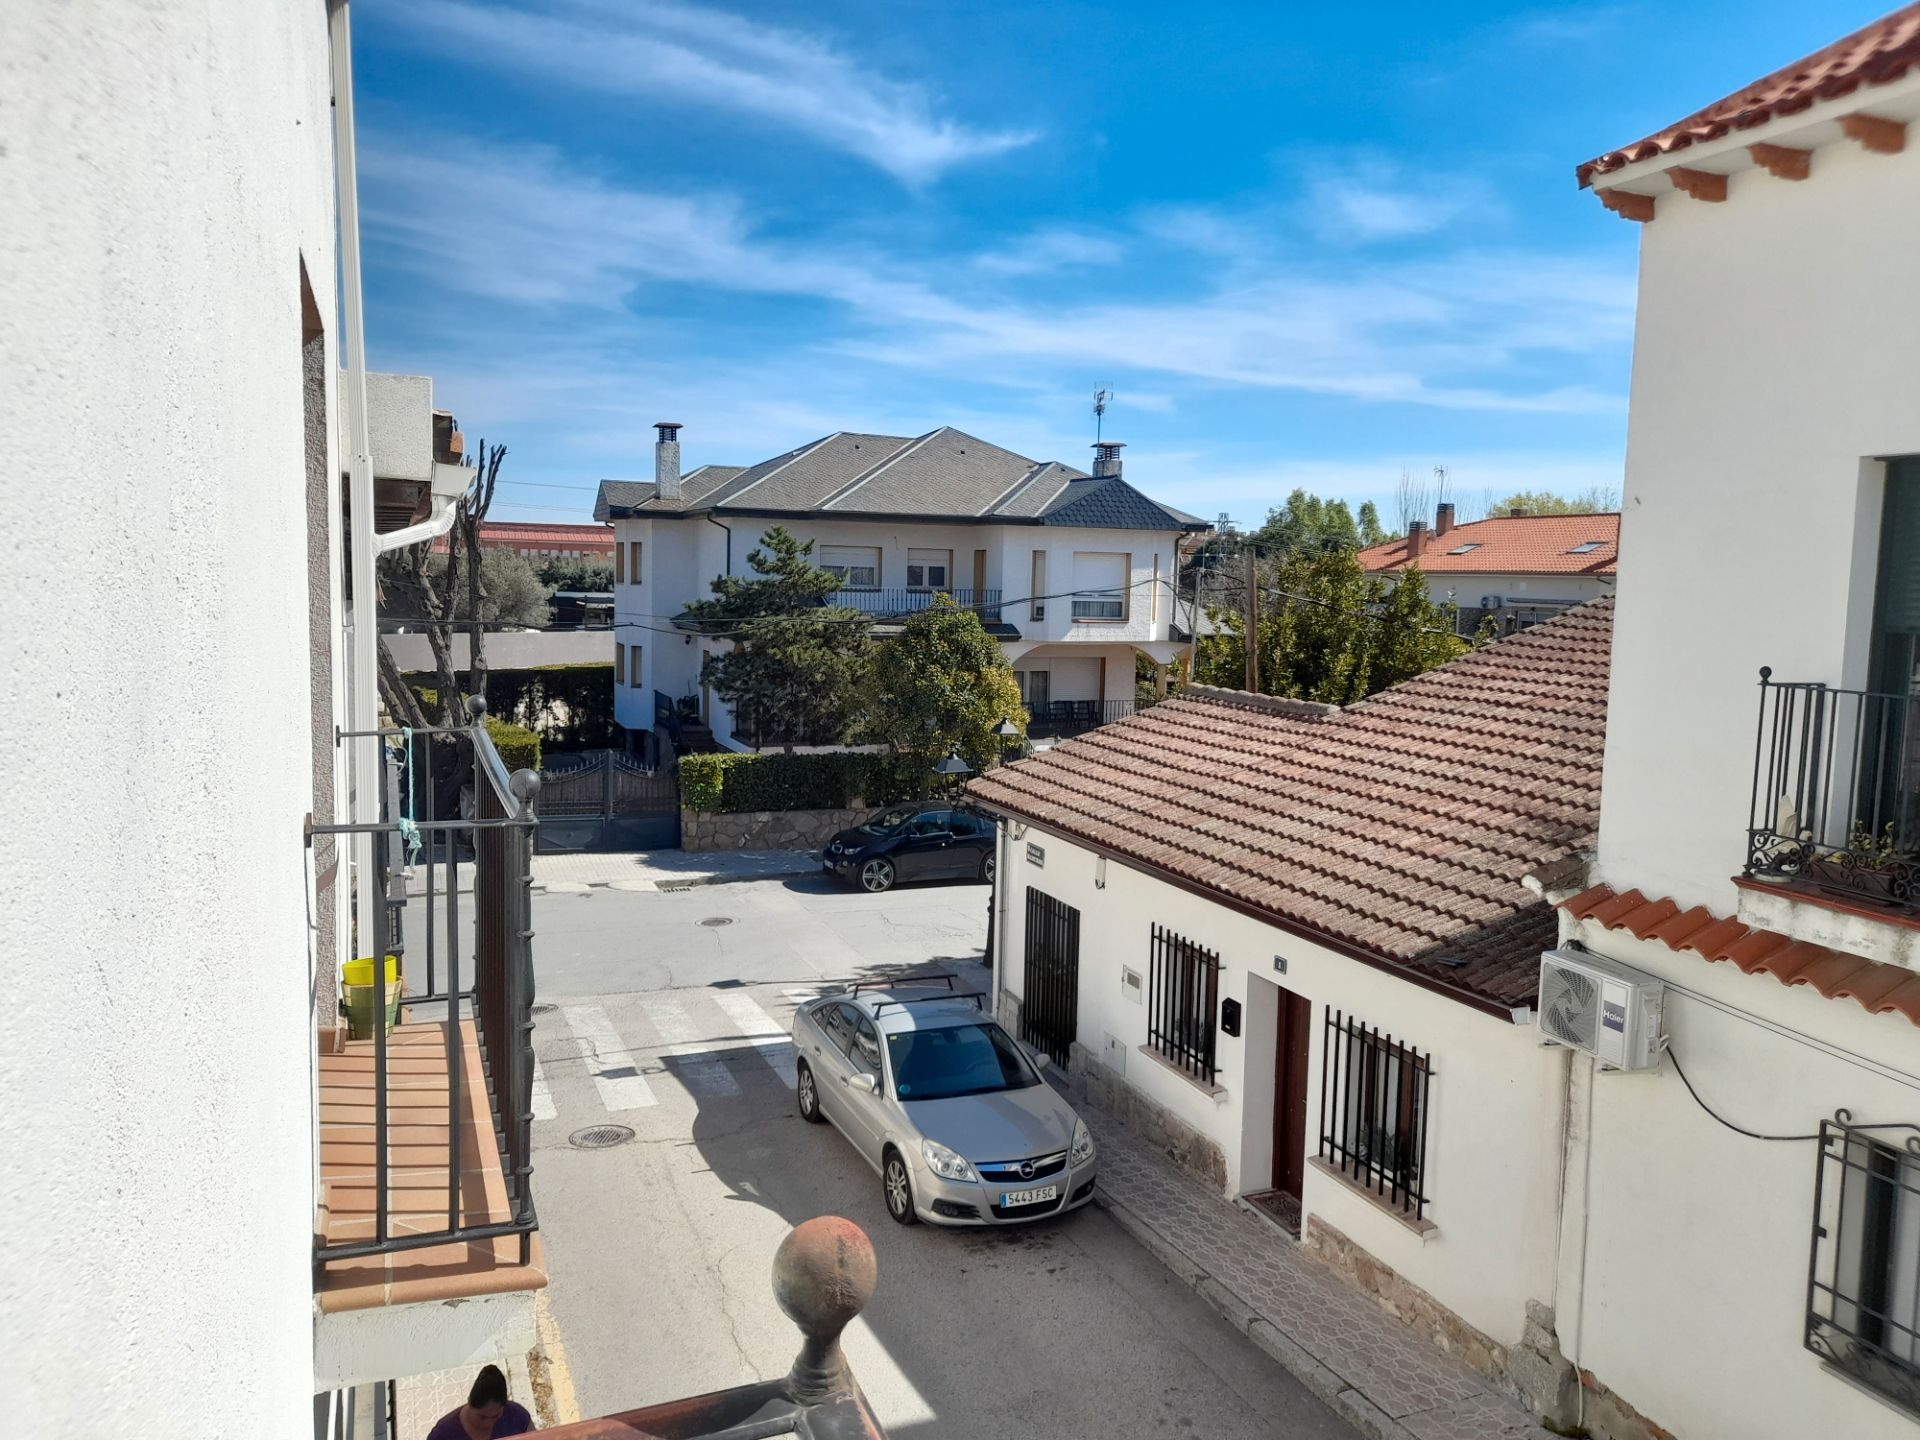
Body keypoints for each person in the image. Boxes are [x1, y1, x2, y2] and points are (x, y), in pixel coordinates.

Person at [425, 1365, 534, 1439]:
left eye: (496, 1416)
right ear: (470, 1404)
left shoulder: (516, 1415)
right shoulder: (443, 1434)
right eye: (483, 1417)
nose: (489, 1423)